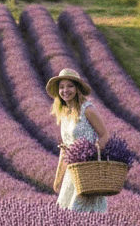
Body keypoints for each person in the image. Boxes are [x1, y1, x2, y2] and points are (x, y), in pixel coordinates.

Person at [46, 67, 111, 213]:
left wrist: (94, 153)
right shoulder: (64, 113)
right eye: (61, 87)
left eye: (70, 86)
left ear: (77, 88)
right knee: (66, 214)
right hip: (72, 173)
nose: (65, 90)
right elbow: (65, 148)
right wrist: (59, 177)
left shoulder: (87, 109)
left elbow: (105, 135)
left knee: (85, 215)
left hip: (88, 172)